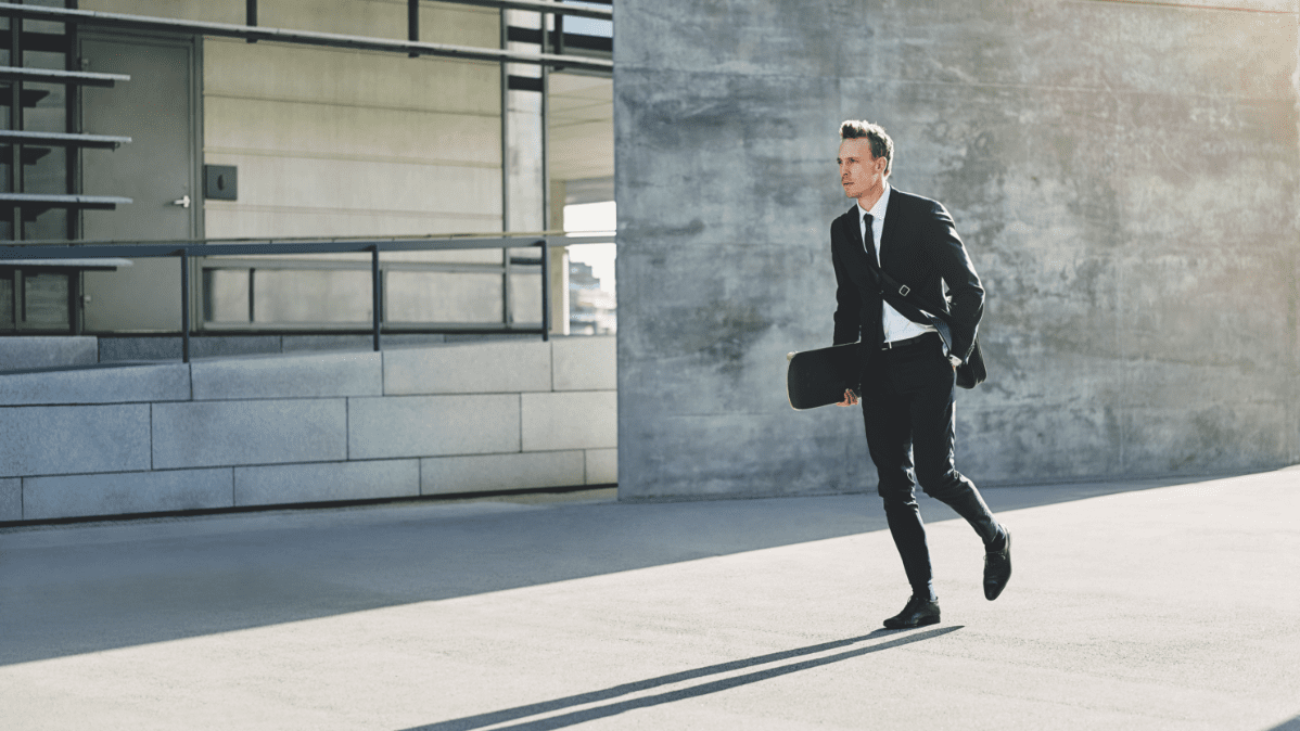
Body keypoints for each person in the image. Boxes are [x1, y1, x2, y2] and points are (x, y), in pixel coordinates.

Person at [830, 119, 1011, 629]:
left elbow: (970, 290)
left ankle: (995, 537)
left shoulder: (923, 215)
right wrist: (846, 372)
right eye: (840, 161)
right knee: (894, 486)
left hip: (927, 360)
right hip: (878, 367)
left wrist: (956, 353)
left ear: (879, 166)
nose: (843, 170)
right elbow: (848, 305)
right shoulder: (843, 230)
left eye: (853, 161)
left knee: (936, 475)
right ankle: (923, 598)